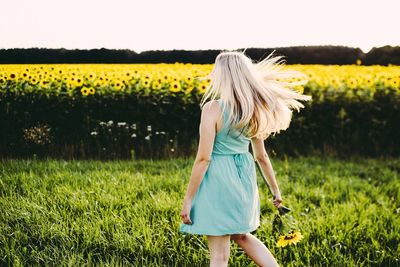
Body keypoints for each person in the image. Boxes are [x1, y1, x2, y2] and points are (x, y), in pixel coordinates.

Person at [179, 49, 312, 267]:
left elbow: (203, 159)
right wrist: (275, 190)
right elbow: (261, 157)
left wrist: (188, 199)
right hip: (243, 177)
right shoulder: (252, 110)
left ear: (223, 76)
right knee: (241, 235)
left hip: (219, 178)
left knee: (219, 256)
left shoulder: (212, 108)